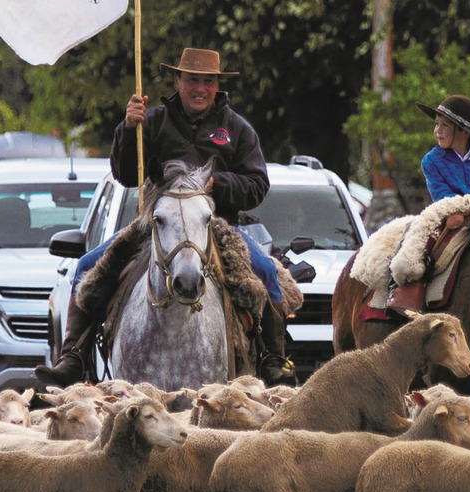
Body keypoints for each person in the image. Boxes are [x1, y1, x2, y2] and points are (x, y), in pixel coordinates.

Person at [36, 47, 288, 386]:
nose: (201, 89)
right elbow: (126, 174)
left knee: (267, 271)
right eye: (193, 80)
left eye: (208, 82)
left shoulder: (237, 129)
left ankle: (273, 360)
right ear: (177, 81)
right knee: (85, 268)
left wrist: (218, 183)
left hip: (216, 226)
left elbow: (258, 185)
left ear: (217, 85)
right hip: (157, 224)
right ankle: (73, 357)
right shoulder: (152, 121)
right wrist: (129, 128)